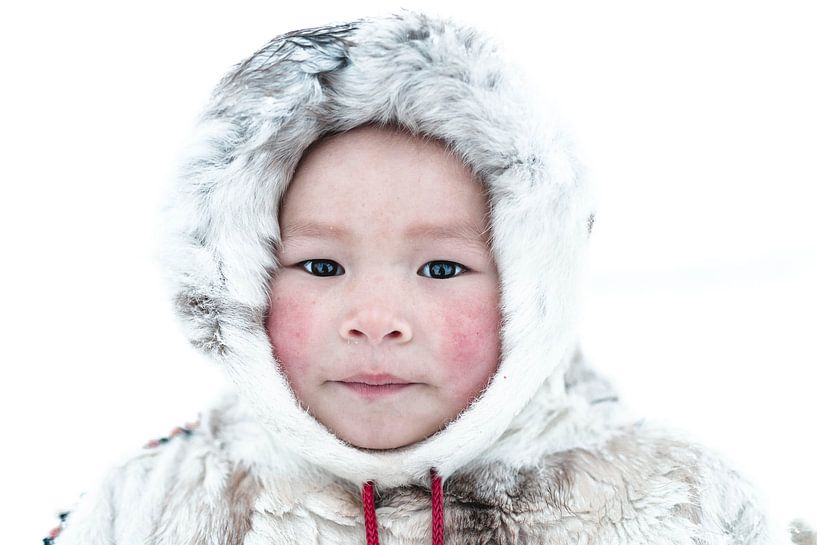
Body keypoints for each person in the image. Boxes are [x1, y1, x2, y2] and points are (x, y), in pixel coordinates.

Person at [44, 9, 814, 545]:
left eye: (441, 266)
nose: (376, 318)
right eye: (320, 264)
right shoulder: (151, 507)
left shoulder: (678, 501)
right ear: (238, 281)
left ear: (529, 282)